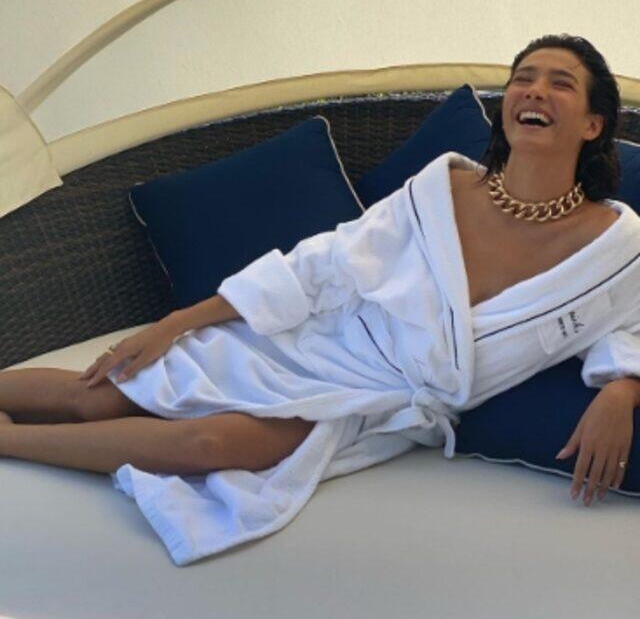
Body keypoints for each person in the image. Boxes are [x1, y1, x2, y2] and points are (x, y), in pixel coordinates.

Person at [1, 33, 640, 566]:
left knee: (205, 449)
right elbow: (324, 263)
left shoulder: (617, 244)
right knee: (98, 396)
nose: (534, 89)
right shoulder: (441, 188)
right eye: (523, 78)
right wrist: (174, 323)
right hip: (318, 338)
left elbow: (629, 324)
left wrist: (622, 389)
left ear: (593, 124)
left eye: (560, 83)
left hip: (375, 397)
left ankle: (9, 441)